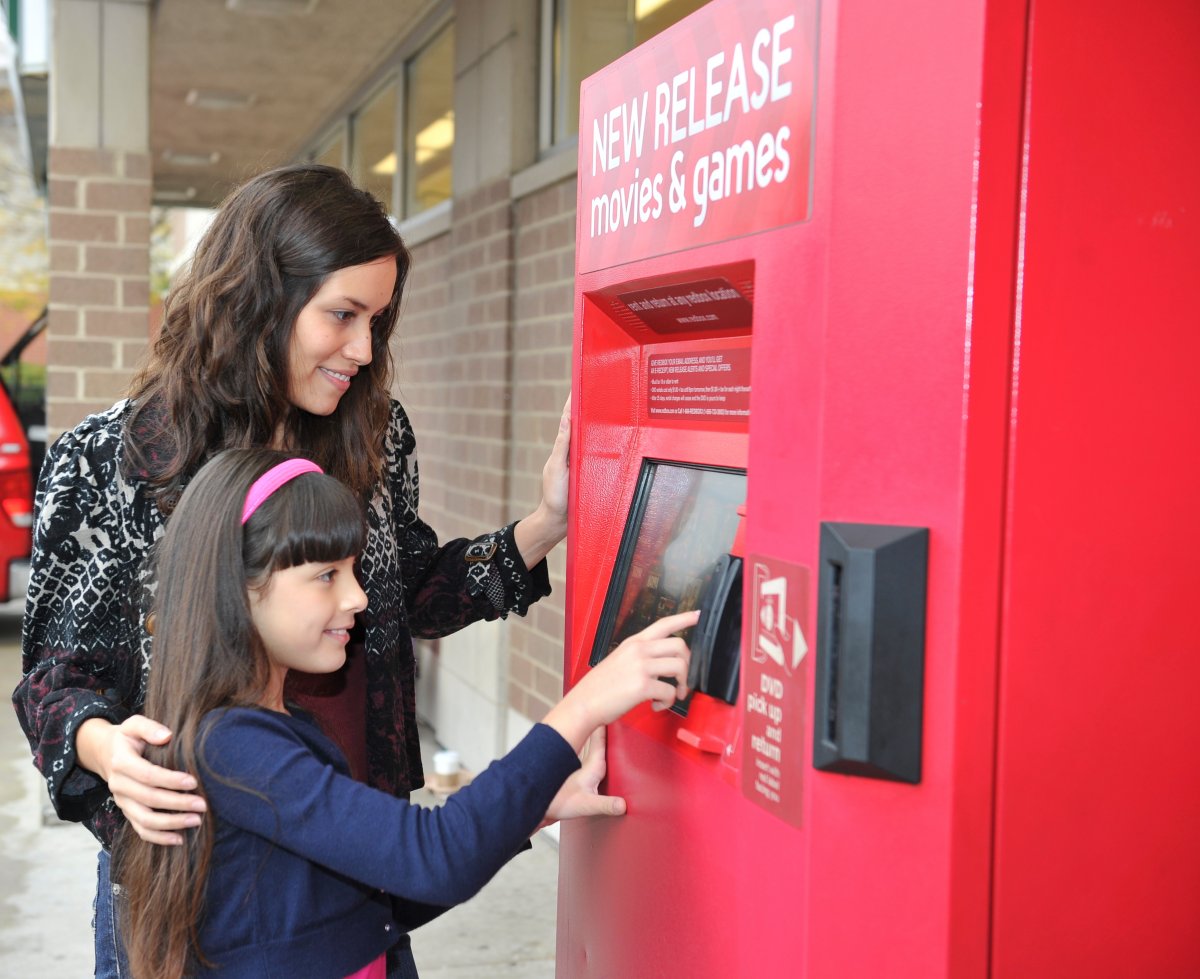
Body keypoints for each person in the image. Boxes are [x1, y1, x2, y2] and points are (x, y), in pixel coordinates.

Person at [11, 164, 583, 978]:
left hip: (357, 841)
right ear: (258, 299)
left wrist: (548, 522)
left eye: (377, 321)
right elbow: (51, 681)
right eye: (342, 315)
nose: (363, 348)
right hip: (197, 882)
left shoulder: (376, 437)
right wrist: (104, 748)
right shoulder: (112, 459)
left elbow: (408, 592)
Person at [112, 448, 697, 979]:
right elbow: (433, 857)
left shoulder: (272, 730)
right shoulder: (233, 746)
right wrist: (585, 705)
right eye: (326, 576)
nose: (358, 598)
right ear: (238, 590)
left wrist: (535, 809)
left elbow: (372, 903)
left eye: (353, 569)